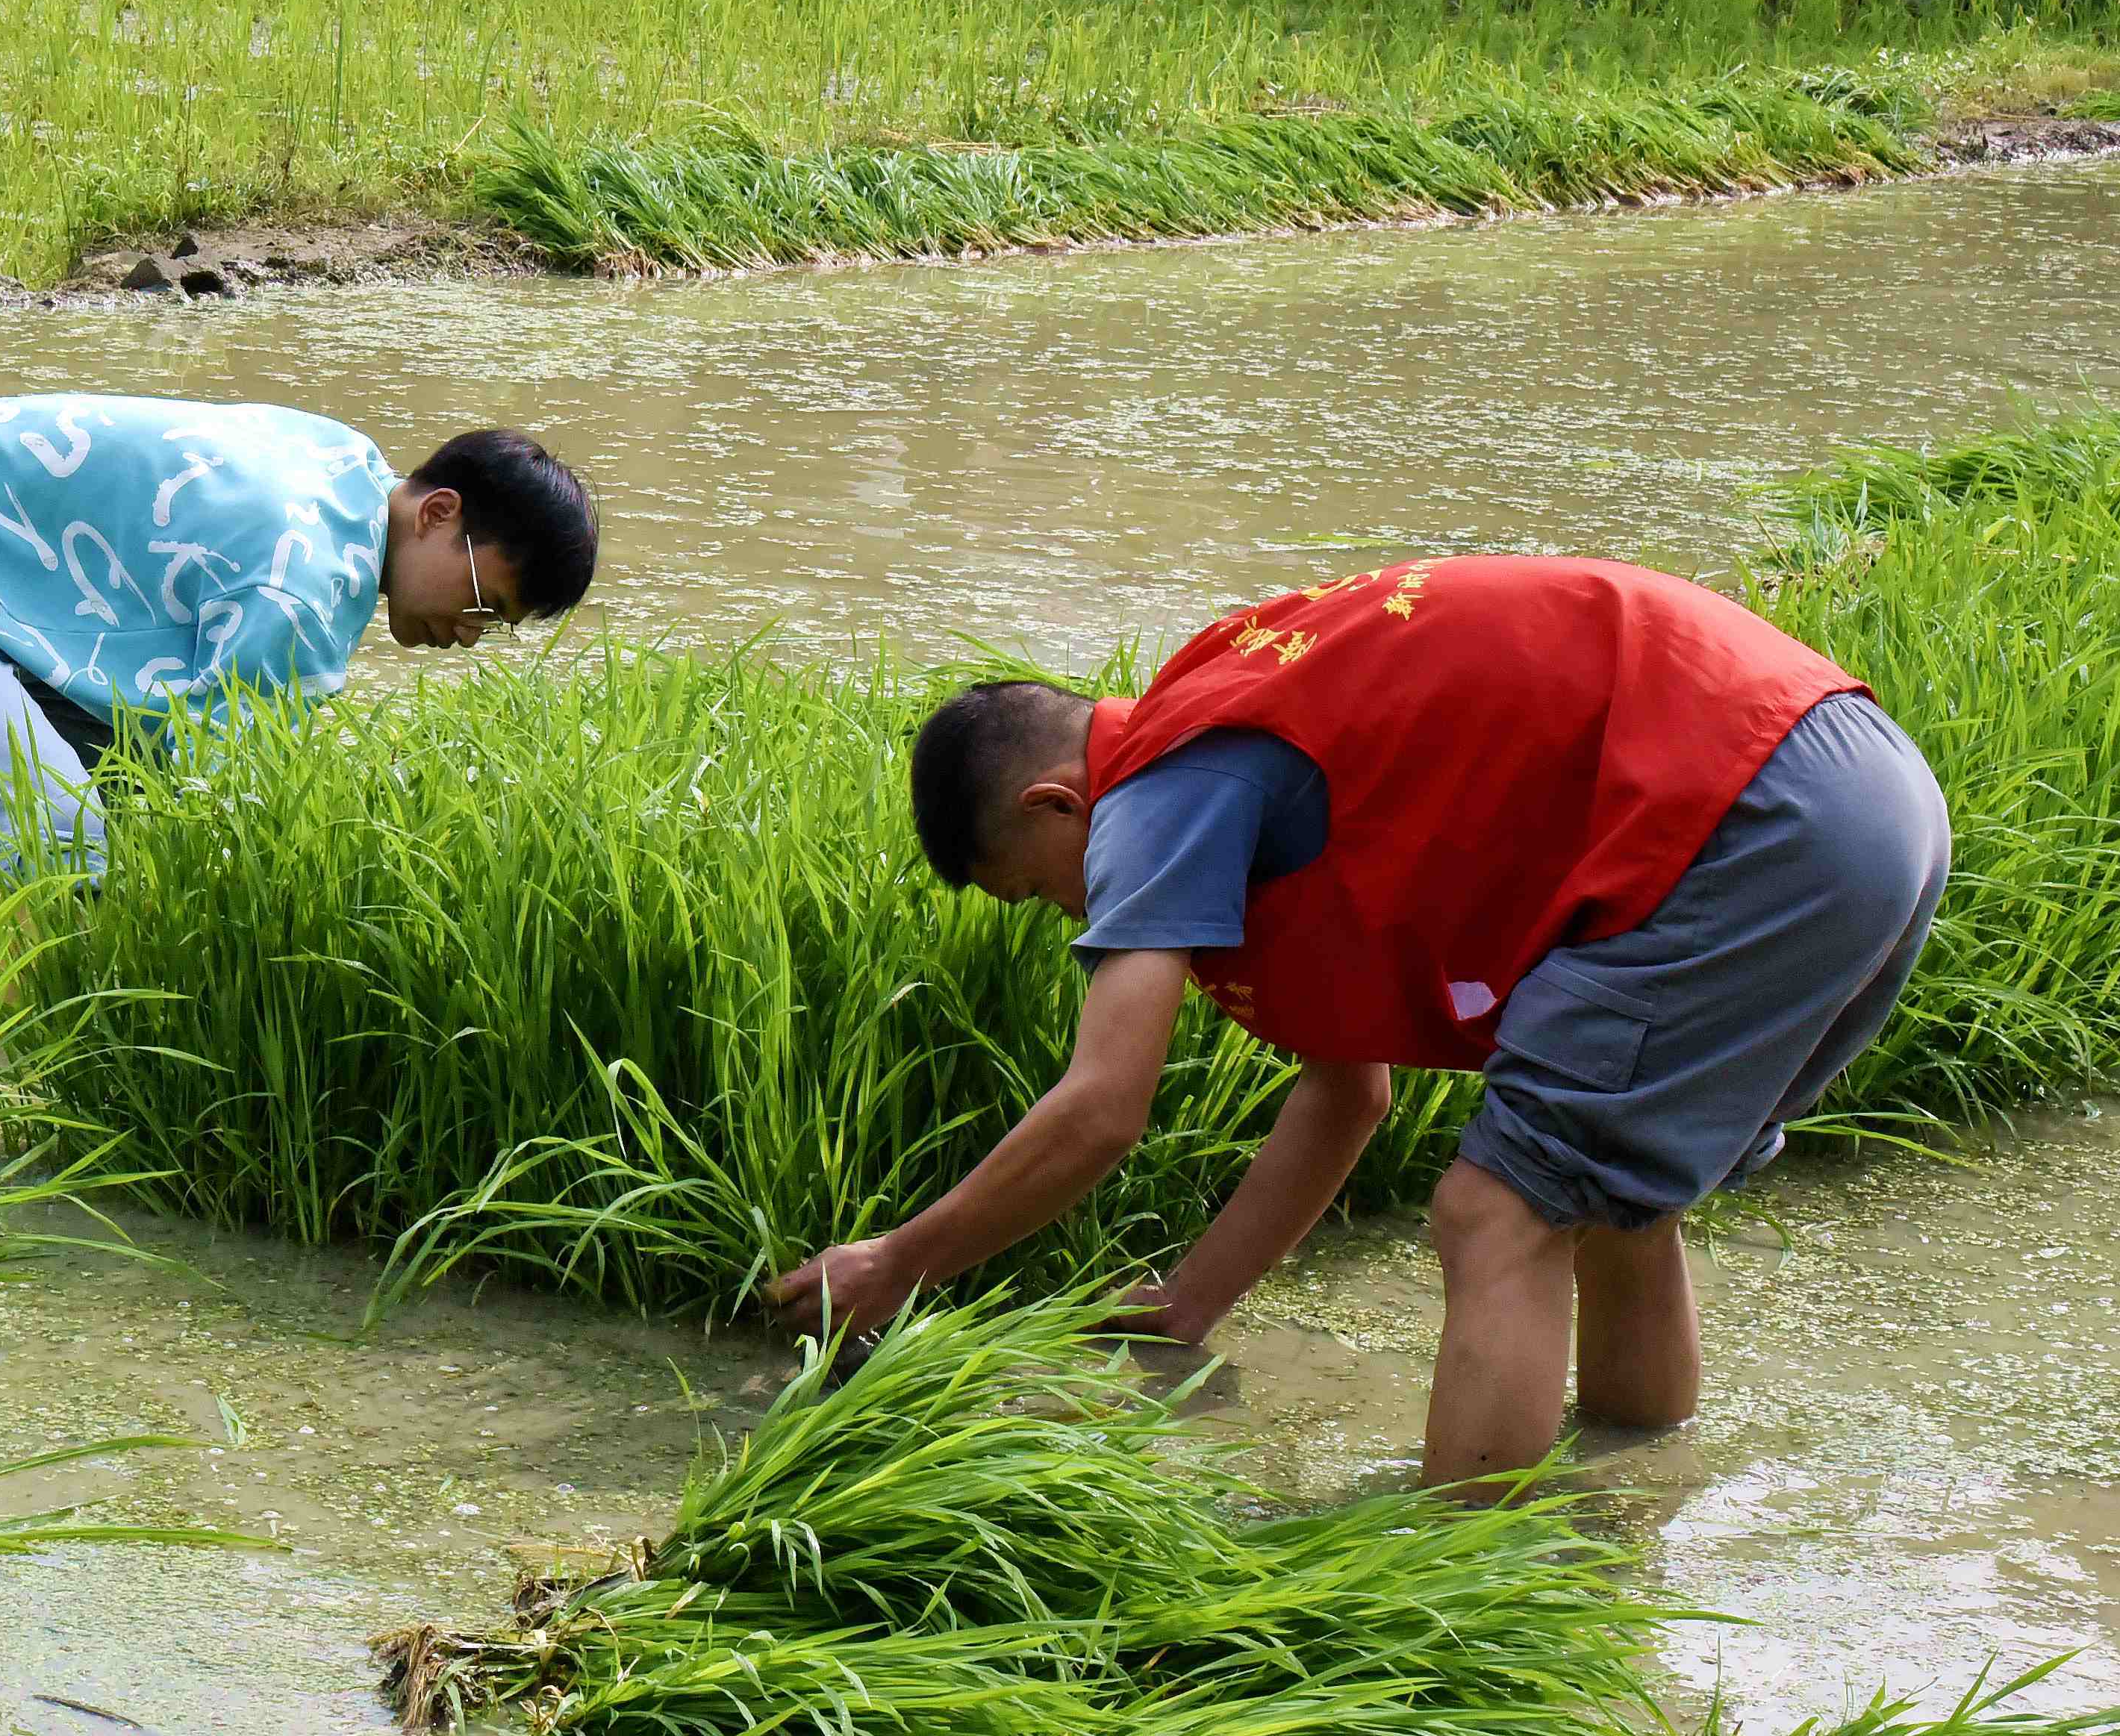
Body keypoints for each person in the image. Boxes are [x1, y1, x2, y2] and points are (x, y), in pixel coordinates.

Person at [765, 555, 1949, 1492]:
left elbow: (1102, 1108)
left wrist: (897, 1262)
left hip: (1748, 807)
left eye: (1038, 889)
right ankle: (1634, 1490)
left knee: (1498, 1213)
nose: (1070, 915)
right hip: (1859, 789)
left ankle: (1460, 1613)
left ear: (1057, 803)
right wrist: (1187, 1308)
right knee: (1613, 1201)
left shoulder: (1157, 792)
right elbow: (1347, 1093)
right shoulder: (1236, 733)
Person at [0, 394, 596, 872]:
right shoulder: (302, 578)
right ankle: (26, 1078)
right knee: (69, 846)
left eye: (499, 628)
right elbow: (232, 810)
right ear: (438, 510)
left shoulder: (347, 469)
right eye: (485, 601)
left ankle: (33, 1035)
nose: (471, 635)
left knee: (131, 824)